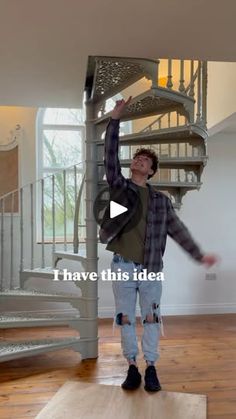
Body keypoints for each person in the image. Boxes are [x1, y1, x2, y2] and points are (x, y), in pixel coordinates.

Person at [100, 96, 218, 392]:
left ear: (151, 171)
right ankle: (131, 367)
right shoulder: (120, 188)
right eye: (137, 159)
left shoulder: (160, 201)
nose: (138, 161)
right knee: (126, 319)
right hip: (122, 267)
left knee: (151, 318)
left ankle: (151, 367)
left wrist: (199, 255)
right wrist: (114, 120)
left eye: (144, 161)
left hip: (151, 268)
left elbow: (178, 231)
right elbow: (111, 157)